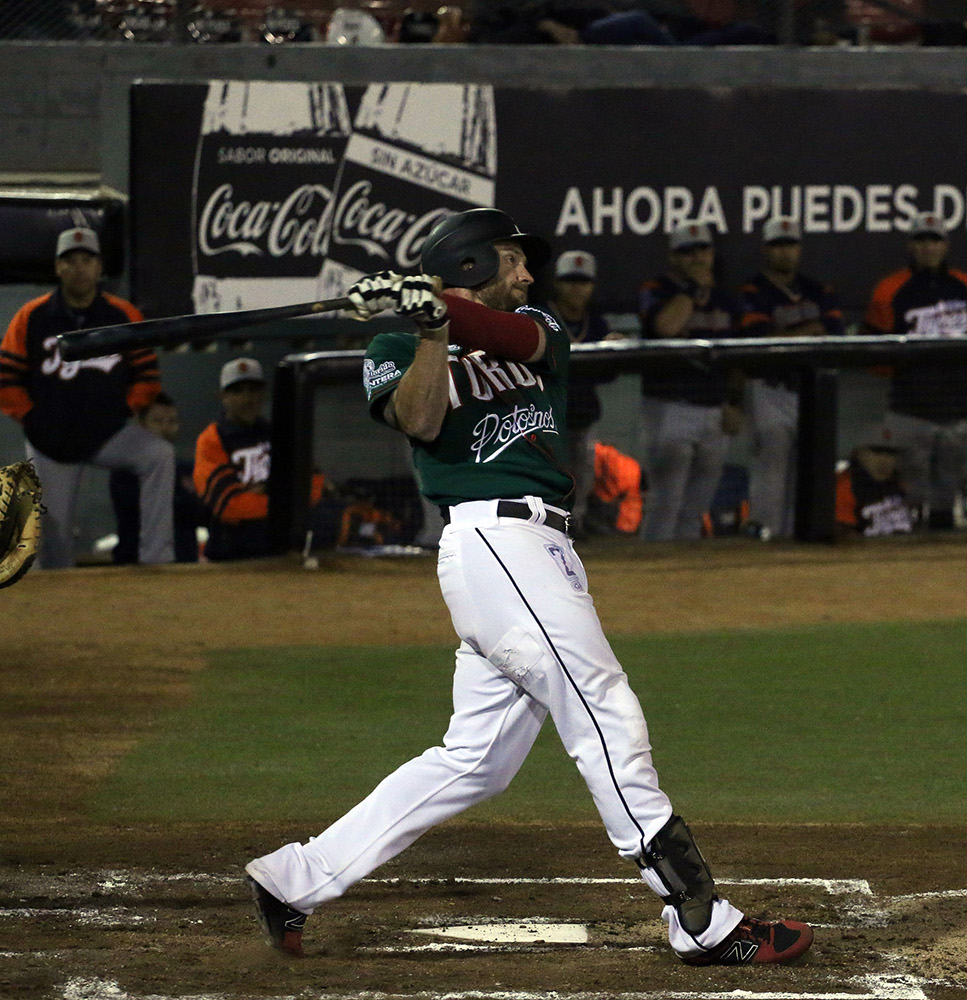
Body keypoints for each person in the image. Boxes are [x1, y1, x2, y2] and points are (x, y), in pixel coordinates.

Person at [243, 208, 812, 967]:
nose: (528, 273)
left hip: (542, 550)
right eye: (512, 260)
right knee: (602, 705)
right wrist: (429, 329)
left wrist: (437, 307)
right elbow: (420, 420)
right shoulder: (394, 347)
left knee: (475, 760)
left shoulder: (536, 324)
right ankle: (699, 914)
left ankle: (295, 878)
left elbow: (521, 339)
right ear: (472, 264)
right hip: (493, 544)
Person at [0, 226, 175, 568]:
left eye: (87, 260)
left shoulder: (122, 315)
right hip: (52, 443)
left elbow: (147, 376)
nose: (79, 268)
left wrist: (123, 409)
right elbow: (6, 378)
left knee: (159, 455)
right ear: (58, 267)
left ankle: (158, 560)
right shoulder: (32, 316)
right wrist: (32, 419)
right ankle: (56, 592)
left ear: (99, 267)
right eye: (71, 260)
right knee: (54, 543)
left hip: (107, 435)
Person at [860, 211, 967, 531]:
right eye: (921, 240)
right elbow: (871, 348)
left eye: (934, 240)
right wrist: (908, 376)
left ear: (945, 245)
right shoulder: (891, 288)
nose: (928, 247)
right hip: (911, 408)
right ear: (911, 245)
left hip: (958, 405)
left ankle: (943, 551)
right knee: (910, 493)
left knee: (947, 493)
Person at [637, 222, 743, 541]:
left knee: (697, 508)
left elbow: (738, 356)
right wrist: (693, 289)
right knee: (664, 502)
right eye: (687, 251)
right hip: (669, 406)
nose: (697, 257)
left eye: (703, 249)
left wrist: (735, 402)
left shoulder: (726, 298)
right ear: (673, 257)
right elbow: (667, 327)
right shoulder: (656, 289)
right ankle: (651, 566)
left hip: (714, 408)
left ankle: (685, 571)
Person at [738, 218, 843, 540]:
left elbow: (835, 330)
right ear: (766, 250)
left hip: (811, 394)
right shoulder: (752, 291)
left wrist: (788, 333)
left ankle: (799, 546)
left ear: (799, 249)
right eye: (778, 245)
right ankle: (766, 539)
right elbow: (760, 337)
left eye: (791, 245)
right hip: (769, 389)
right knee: (770, 474)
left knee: (807, 475)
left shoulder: (818, 290)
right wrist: (811, 329)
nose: (785, 252)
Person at [547, 250, 619, 532]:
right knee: (548, 481)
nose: (577, 288)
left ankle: (574, 528)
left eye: (583, 281)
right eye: (570, 281)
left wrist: (610, 350)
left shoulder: (596, 322)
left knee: (582, 478)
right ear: (557, 283)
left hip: (582, 416)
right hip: (545, 418)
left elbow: (608, 374)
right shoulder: (542, 316)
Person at [194, 357, 275, 561]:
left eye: (253, 390)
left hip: (276, 549)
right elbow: (228, 506)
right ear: (223, 396)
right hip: (228, 554)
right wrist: (279, 499)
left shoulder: (279, 433)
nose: (247, 399)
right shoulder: (211, 439)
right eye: (237, 391)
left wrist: (254, 495)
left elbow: (312, 486)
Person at [109, 393, 202, 564]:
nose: (166, 428)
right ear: (142, 425)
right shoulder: (126, 471)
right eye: (158, 421)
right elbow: (141, 509)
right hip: (136, 565)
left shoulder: (187, 470)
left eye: (172, 421)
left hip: (185, 564)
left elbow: (202, 511)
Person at [835, 424, 915, 538]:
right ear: (858, 453)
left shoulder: (901, 487)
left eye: (890, 453)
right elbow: (843, 537)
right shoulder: (842, 486)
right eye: (876, 451)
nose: (884, 460)